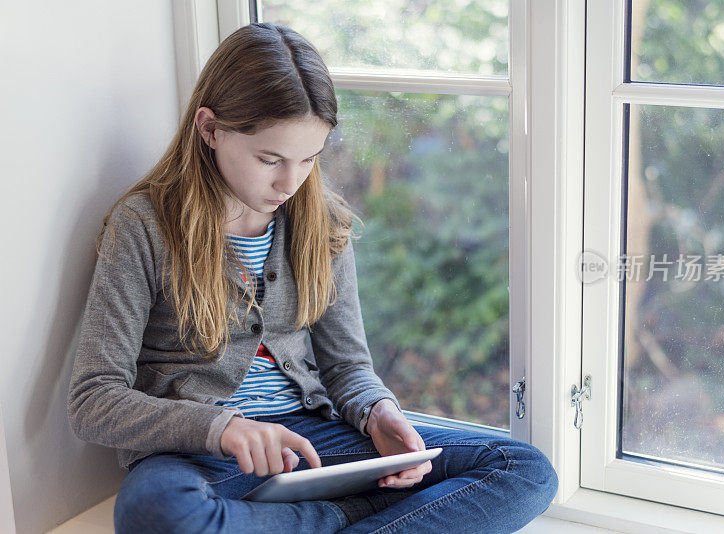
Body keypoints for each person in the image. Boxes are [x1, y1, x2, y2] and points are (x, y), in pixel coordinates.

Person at [66, 22, 558, 534]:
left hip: (316, 442)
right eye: (269, 159)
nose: (290, 182)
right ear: (209, 128)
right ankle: (347, 515)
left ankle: (298, 519)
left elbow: (347, 366)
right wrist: (223, 428)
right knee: (156, 515)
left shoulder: (322, 224)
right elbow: (93, 398)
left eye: (309, 159)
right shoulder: (142, 226)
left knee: (524, 469)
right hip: (196, 455)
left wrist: (379, 414)